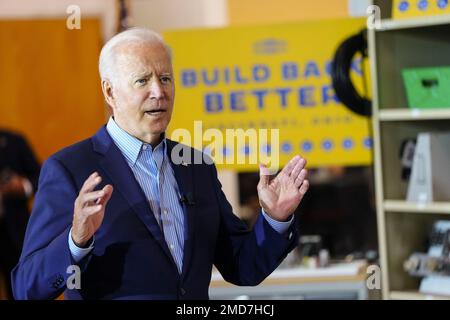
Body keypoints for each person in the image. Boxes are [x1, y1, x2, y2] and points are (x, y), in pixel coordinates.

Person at [11, 28, 309, 300]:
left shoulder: (197, 166)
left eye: (165, 78)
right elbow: (26, 288)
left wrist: (275, 219)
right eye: (142, 80)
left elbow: (244, 268)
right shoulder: (69, 169)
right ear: (109, 92)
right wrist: (76, 241)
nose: (159, 91)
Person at [0, 129, 40, 299]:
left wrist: (22, 186)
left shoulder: (13, 141)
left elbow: (40, 175)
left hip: (12, 231)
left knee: (18, 289)